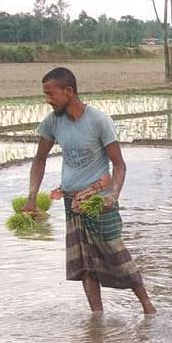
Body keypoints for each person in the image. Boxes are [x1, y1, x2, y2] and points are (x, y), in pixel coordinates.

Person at [24, 67, 156, 317]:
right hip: (72, 204)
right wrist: (32, 198)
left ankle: (148, 308)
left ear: (69, 91)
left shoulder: (98, 121)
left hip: (98, 201)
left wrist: (112, 196)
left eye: (50, 94)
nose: (47, 100)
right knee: (84, 264)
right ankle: (97, 317)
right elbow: (39, 160)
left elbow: (119, 165)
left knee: (118, 256)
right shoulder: (53, 122)